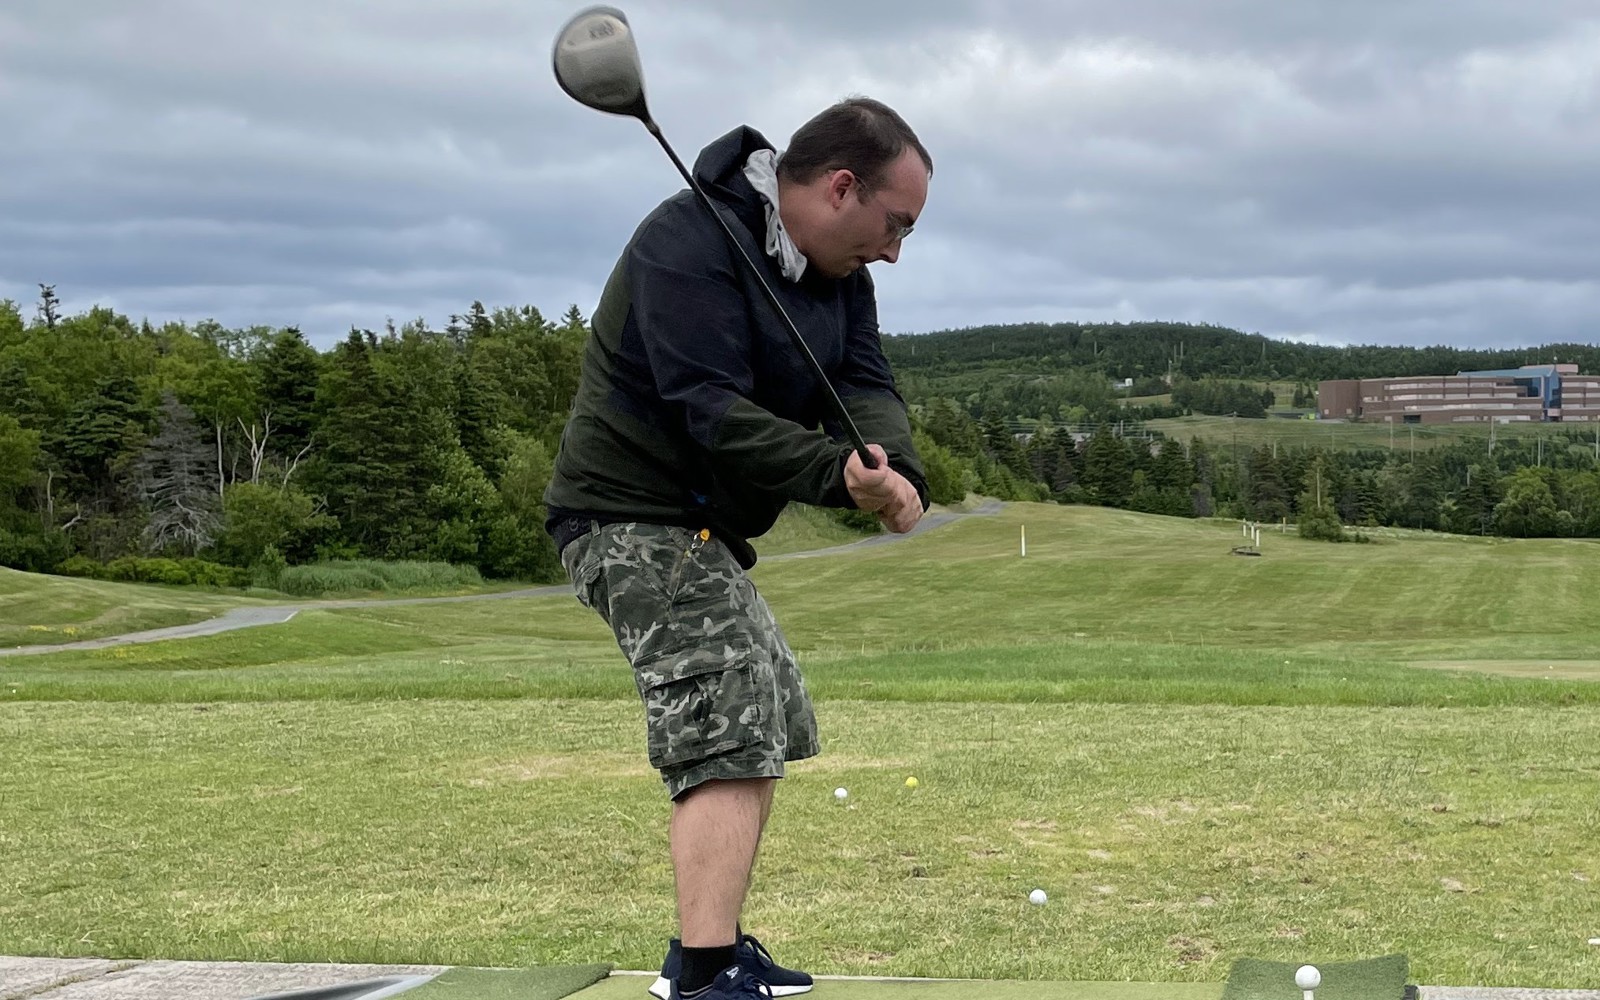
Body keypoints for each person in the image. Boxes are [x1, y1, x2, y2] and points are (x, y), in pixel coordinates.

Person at [544, 96, 933, 1000]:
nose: (895, 250)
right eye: (895, 224)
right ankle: (705, 973)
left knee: (765, 705)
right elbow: (708, 408)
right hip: (627, 513)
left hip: (700, 527)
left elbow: (864, 380)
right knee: (725, 716)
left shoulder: (839, 278)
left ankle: (706, 951)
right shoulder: (685, 241)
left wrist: (895, 467)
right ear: (843, 187)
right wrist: (839, 475)